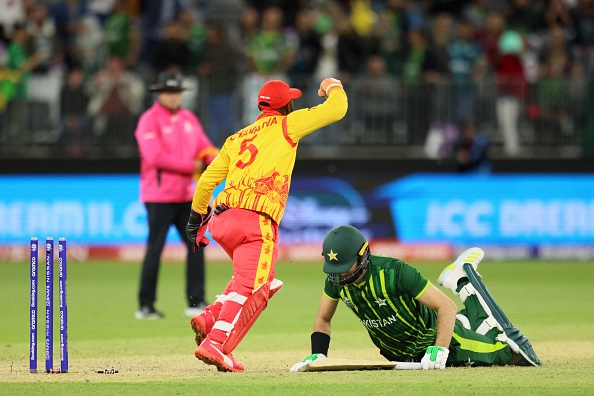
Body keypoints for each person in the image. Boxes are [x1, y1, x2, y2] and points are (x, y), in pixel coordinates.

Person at [185, 77, 348, 372]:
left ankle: (211, 317)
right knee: (254, 286)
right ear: (287, 104)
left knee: (249, 277)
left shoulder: (237, 138)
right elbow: (337, 109)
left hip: (223, 219)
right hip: (255, 220)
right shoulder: (288, 125)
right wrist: (332, 85)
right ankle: (216, 343)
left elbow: (207, 180)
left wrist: (196, 219)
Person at [291, 225, 541, 371]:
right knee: (468, 325)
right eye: (335, 270)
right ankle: (469, 318)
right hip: (400, 354)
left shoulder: (396, 273)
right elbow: (323, 318)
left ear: (364, 255)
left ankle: (463, 279)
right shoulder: (336, 279)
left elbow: (445, 306)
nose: (341, 275)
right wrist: (319, 354)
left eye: (345, 267)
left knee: (507, 353)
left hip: (442, 340)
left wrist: (440, 348)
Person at [134, 71, 219, 320]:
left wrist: (215, 163)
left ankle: (196, 301)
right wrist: (192, 167)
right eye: (169, 92)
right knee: (155, 249)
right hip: (159, 196)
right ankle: (145, 306)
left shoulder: (188, 118)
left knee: (195, 246)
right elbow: (154, 157)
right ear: (159, 94)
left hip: (187, 196)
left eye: (176, 92)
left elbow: (206, 149)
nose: (173, 97)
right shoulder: (149, 120)